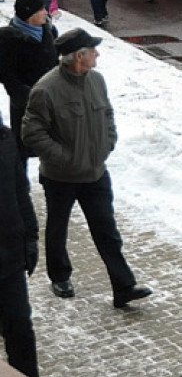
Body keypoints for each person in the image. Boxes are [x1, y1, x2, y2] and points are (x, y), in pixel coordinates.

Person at [20, 28, 152, 308]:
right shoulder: (46, 89)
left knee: (107, 230)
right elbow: (31, 132)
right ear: (79, 56)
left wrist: (109, 140)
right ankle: (60, 276)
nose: (97, 54)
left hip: (95, 173)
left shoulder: (97, 80)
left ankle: (123, 287)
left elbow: (107, 113)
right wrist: (65, 158)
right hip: (61, 176)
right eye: (93, 51)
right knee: (58, 228)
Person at [0, 110, 39, 377]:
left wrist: (31, 236)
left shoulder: (4, 138)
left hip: (9, 254)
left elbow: (19, 190)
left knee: (20, 329)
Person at [0, 0, 57, 161]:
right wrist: (23, 95)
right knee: (23, 145)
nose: (46, 13)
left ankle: (51, 181)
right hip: (26, 102)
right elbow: (6, 73)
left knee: (52, 143)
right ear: (29, 13)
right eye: (41, 10)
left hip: (52, 98)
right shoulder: (8, 38)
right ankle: (21, 184)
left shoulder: (49, 30)